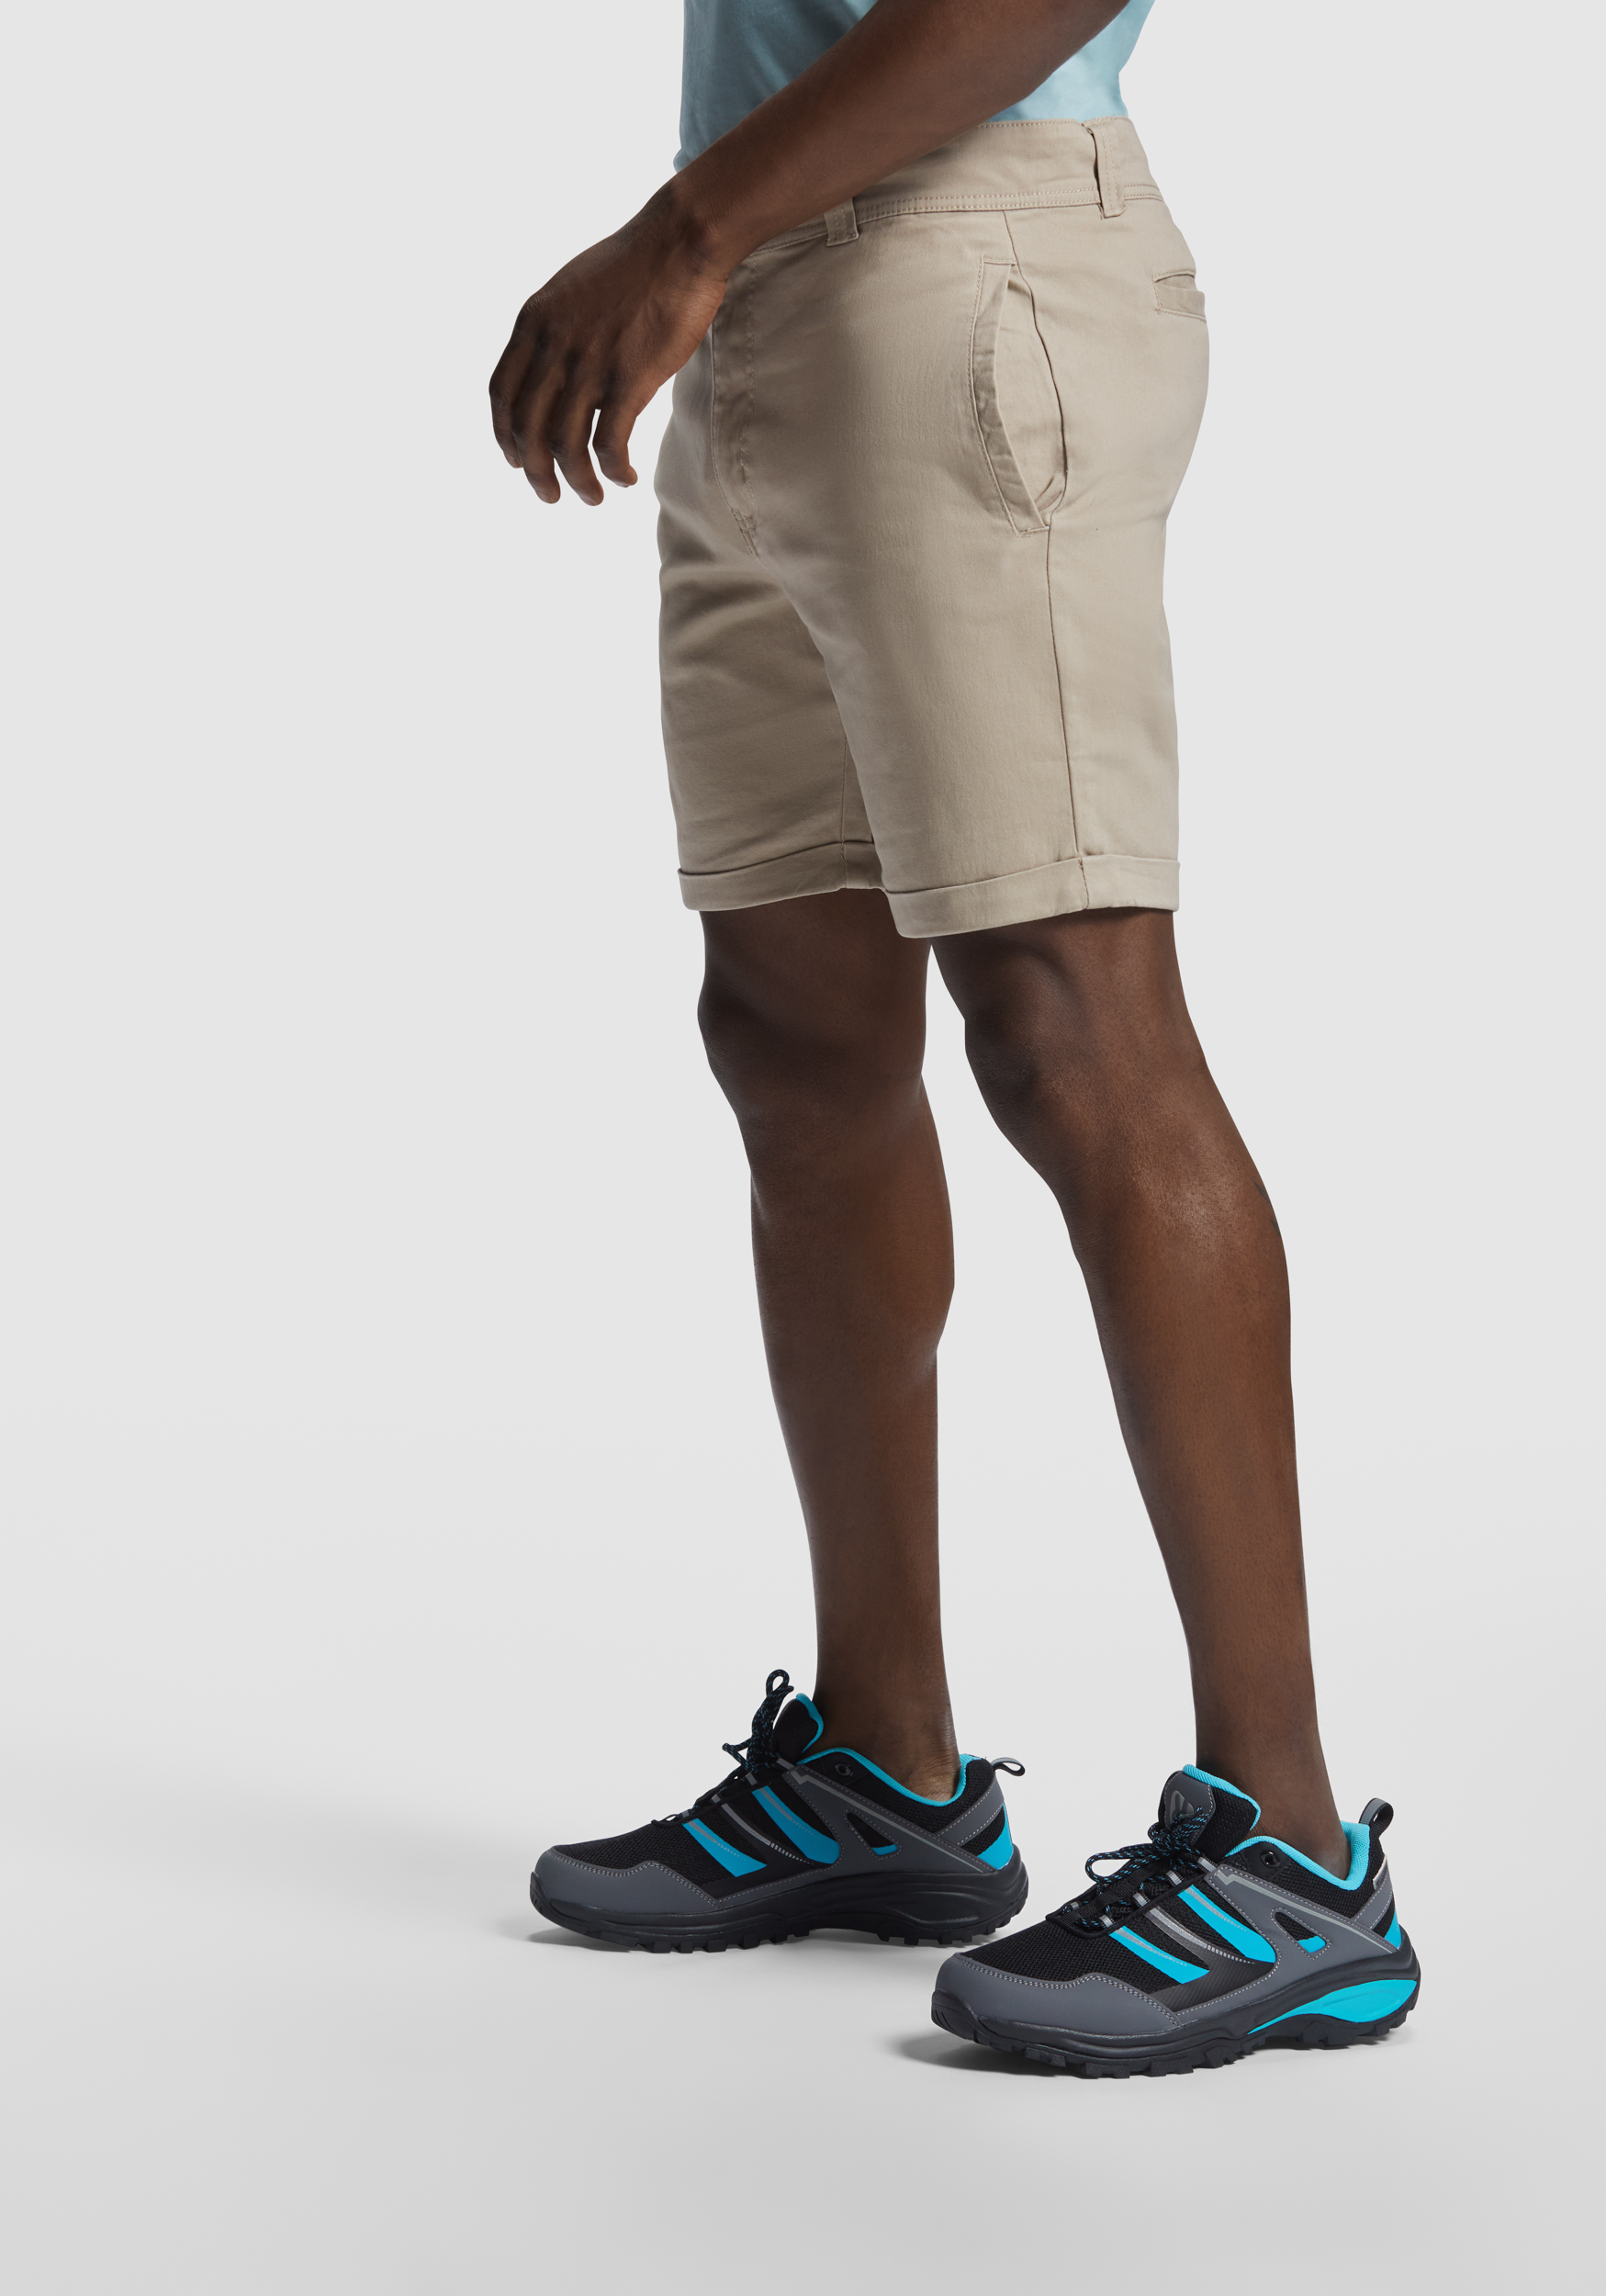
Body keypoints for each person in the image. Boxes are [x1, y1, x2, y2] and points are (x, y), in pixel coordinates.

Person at [490, 0, 1418, 2076]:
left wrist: (681, 228)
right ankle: (886, 1767)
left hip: (959, 248)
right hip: (768, 279)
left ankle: (1293, 1851)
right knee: (791, 1026)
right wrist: (715, 242)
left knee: (1071, 1024)